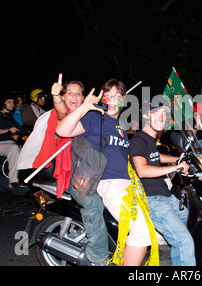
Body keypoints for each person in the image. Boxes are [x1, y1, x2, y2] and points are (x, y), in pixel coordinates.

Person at [56, 79, 152, 266]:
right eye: (107, 95)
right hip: (110, 182)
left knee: (144, 230)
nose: (112, 99)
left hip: (129, 184)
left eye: (117, 95)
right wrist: (85, 107)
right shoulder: (95, 118)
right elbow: (62, 130)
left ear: (124, 100)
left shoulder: (122, 126)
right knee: (141, 232)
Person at [129, 102, 196, 266]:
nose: (161, 117)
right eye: (156, 113)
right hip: (153, 200)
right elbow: (142, 170)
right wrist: (175, 167)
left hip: (166, 197)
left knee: (194, 225)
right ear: (146, 115)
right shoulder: (139, 140)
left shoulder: (150, 139)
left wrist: (177, 159)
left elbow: (154, 157)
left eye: (164, 114)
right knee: (184, 241)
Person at [0, 93, 21, 187]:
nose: (11, 104)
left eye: (13, 102)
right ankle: (14, 180)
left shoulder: (11, 117)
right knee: (14, 148)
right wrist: (8, 130)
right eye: (9, 102)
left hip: (10, 143)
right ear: (4, 104)